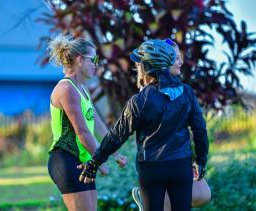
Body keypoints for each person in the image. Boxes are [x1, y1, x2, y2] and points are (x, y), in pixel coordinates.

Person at [78, 39, 209, 211]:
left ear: (148, 66)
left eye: (140, 63)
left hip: (151, 167)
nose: (138, 67)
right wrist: (201, 160)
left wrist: (94, 163)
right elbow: (200, 131)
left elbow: (116, 136)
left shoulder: (139, 101)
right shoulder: (187, 93)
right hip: (180, 165)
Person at [47, 33, 128, 211]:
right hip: (66, 160)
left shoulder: (82, 89)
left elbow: (98, 125)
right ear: (79, 60)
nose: (96, 64)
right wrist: (101, 160)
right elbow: (82, 132)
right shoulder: (66, 88)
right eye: (94, 59)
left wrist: (114, 153)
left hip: (83, 161)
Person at [130, 47, 211, 211]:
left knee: (203, 195)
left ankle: (149, 199)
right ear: (163, 63)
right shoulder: (147, 94)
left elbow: (198, 129)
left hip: (179, 157)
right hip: (157, 162)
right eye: (176, 58)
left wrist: (197, 158)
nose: (181, 62)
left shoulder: (182, 90)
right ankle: (149, 200)